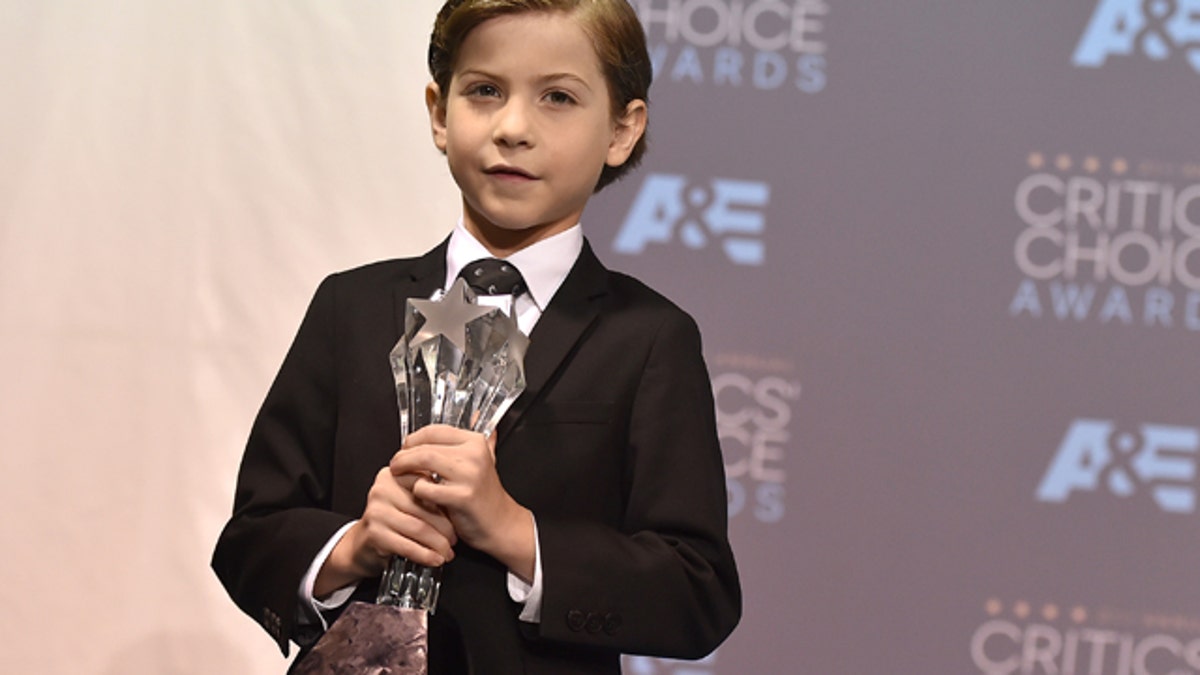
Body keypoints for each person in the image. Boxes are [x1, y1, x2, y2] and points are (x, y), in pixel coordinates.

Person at [211, 1, 741, 672]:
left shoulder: (647, 338)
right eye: (484, 91)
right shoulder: (352, 305)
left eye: (558, 97)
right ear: (439, 111)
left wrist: (517, 532)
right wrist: (353, 545)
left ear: (622, 129)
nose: (513, 128)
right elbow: (251, 535)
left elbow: (699, 590)